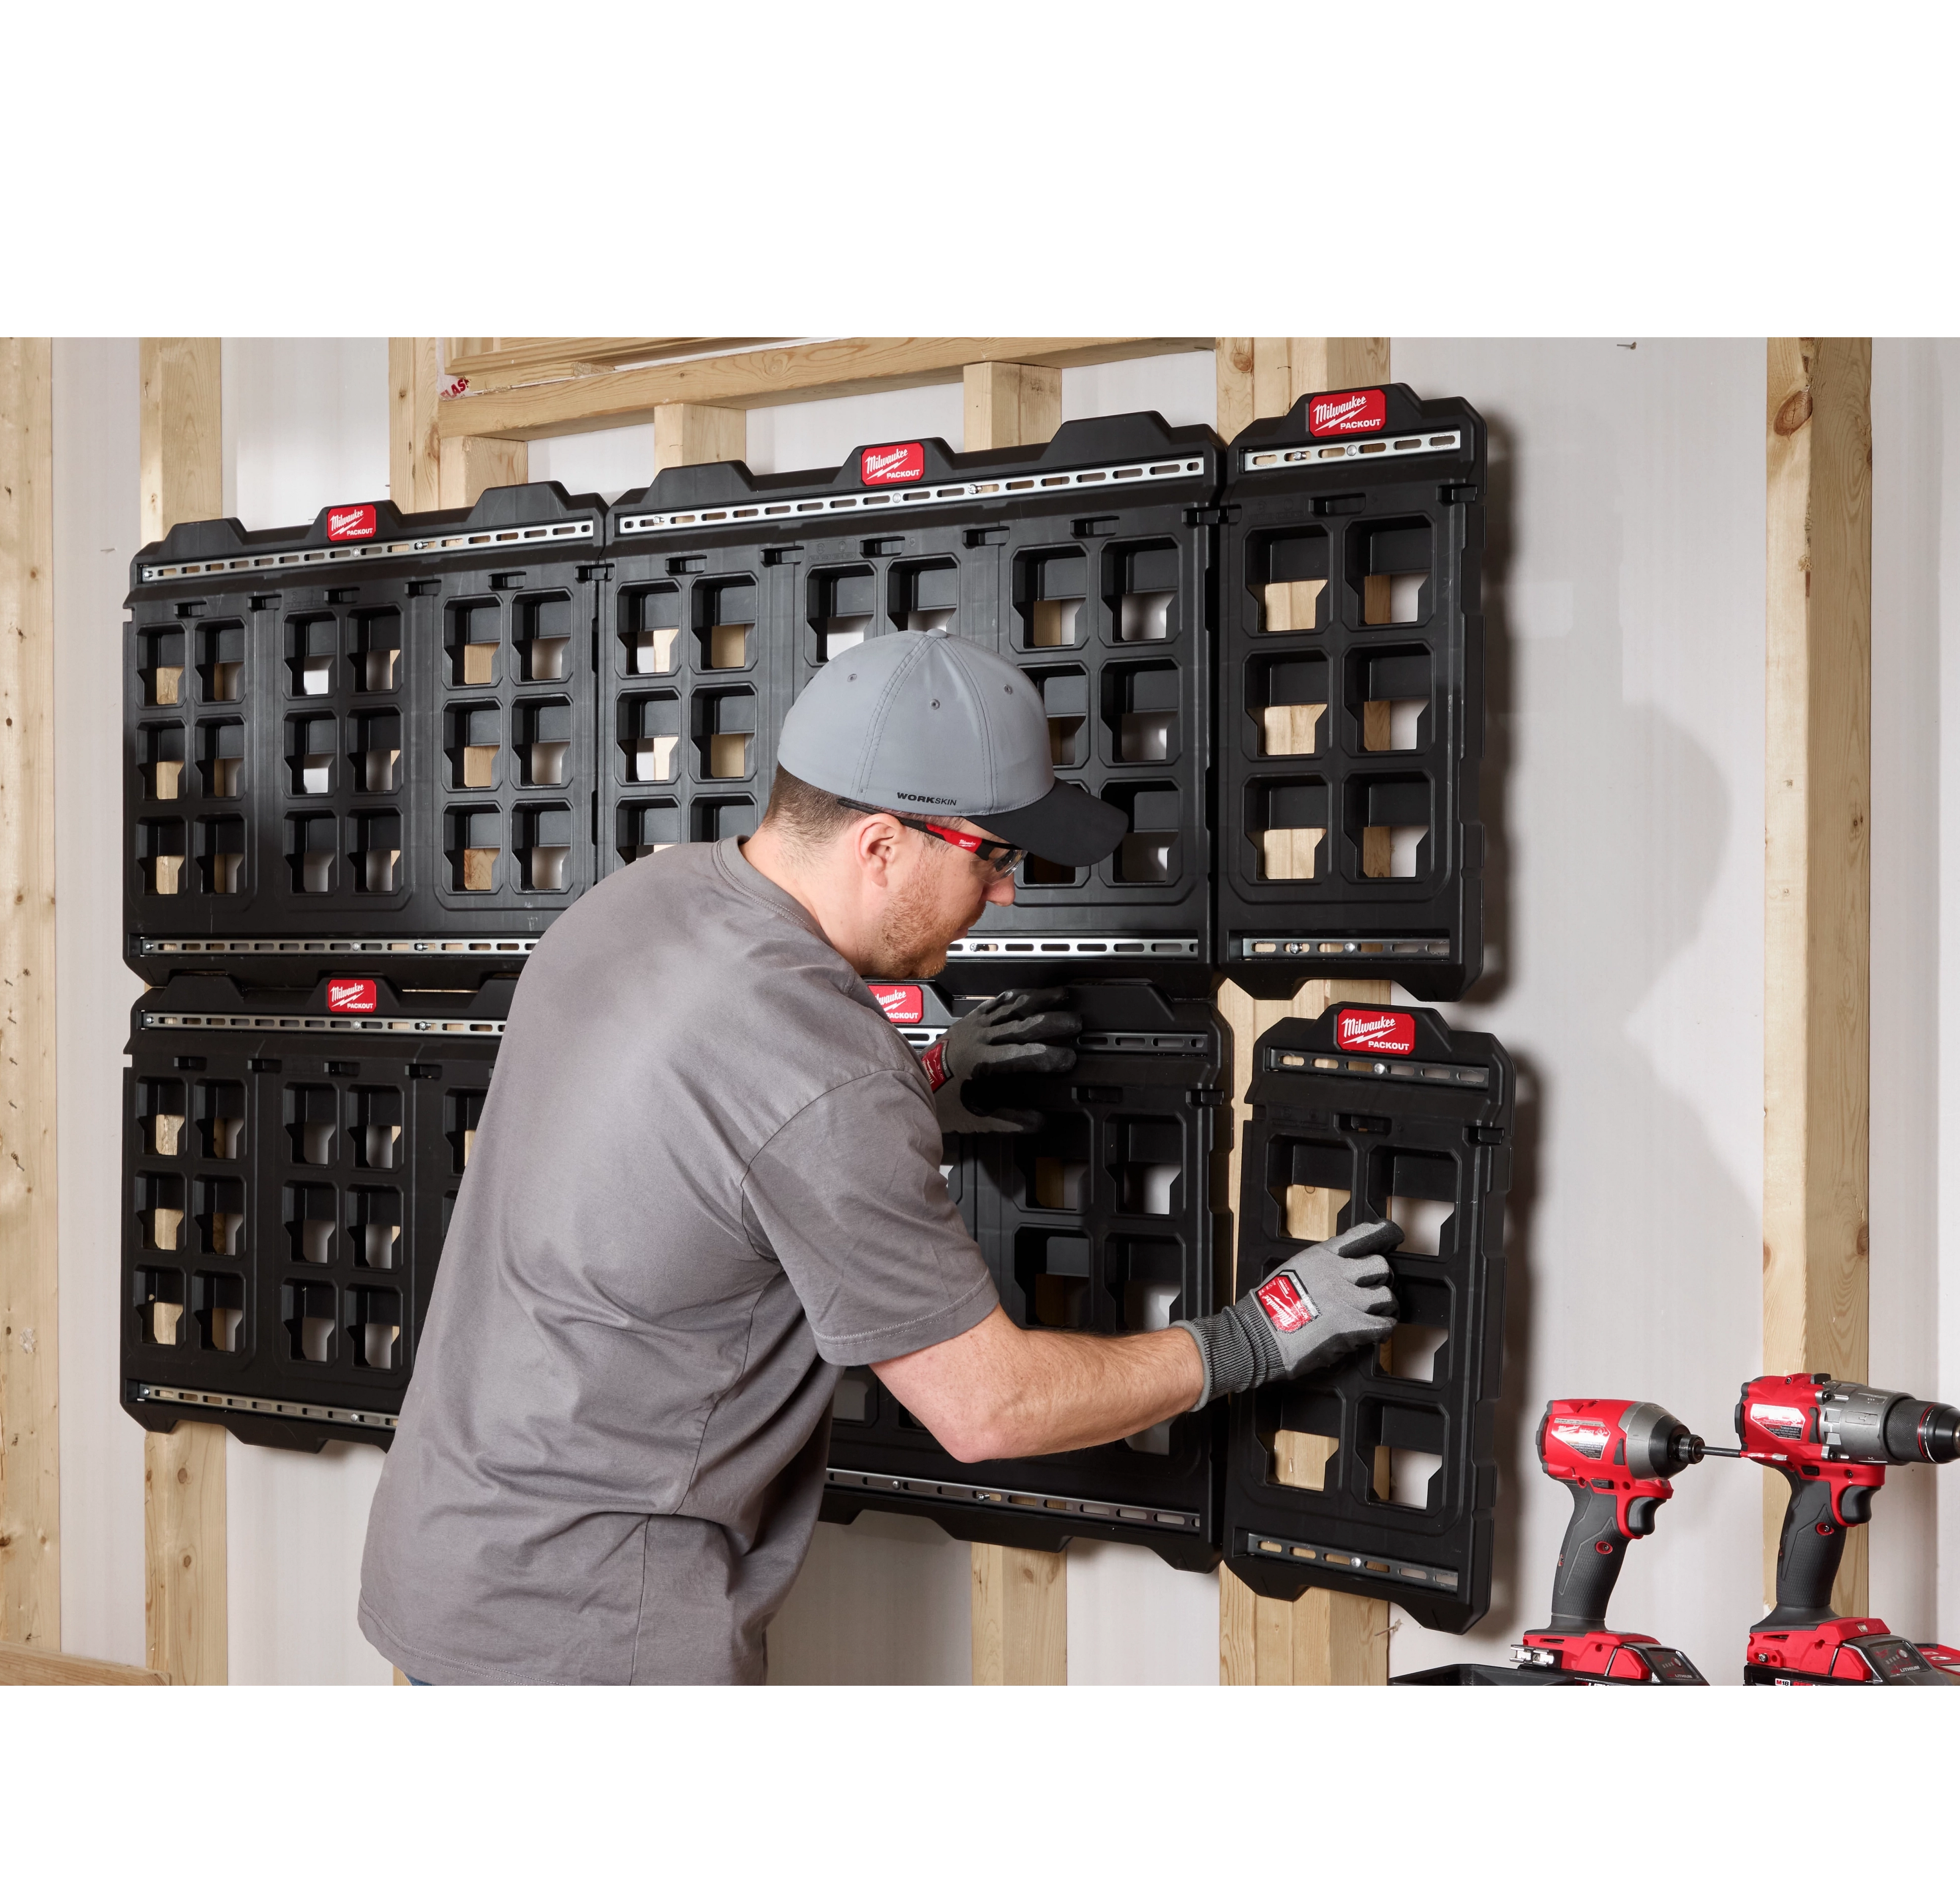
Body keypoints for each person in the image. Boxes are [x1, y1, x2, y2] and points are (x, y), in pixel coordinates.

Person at [358, 632, 1400, 1685]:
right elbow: (989, 1407)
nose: (1005, 893)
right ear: (880, 843)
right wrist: (1252, 1337)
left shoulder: (637, 903)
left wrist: (929, 1074)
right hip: (589, 1630)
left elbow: (695, 1131)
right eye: (992, 856)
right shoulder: (824, 1071)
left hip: (447, 1562)